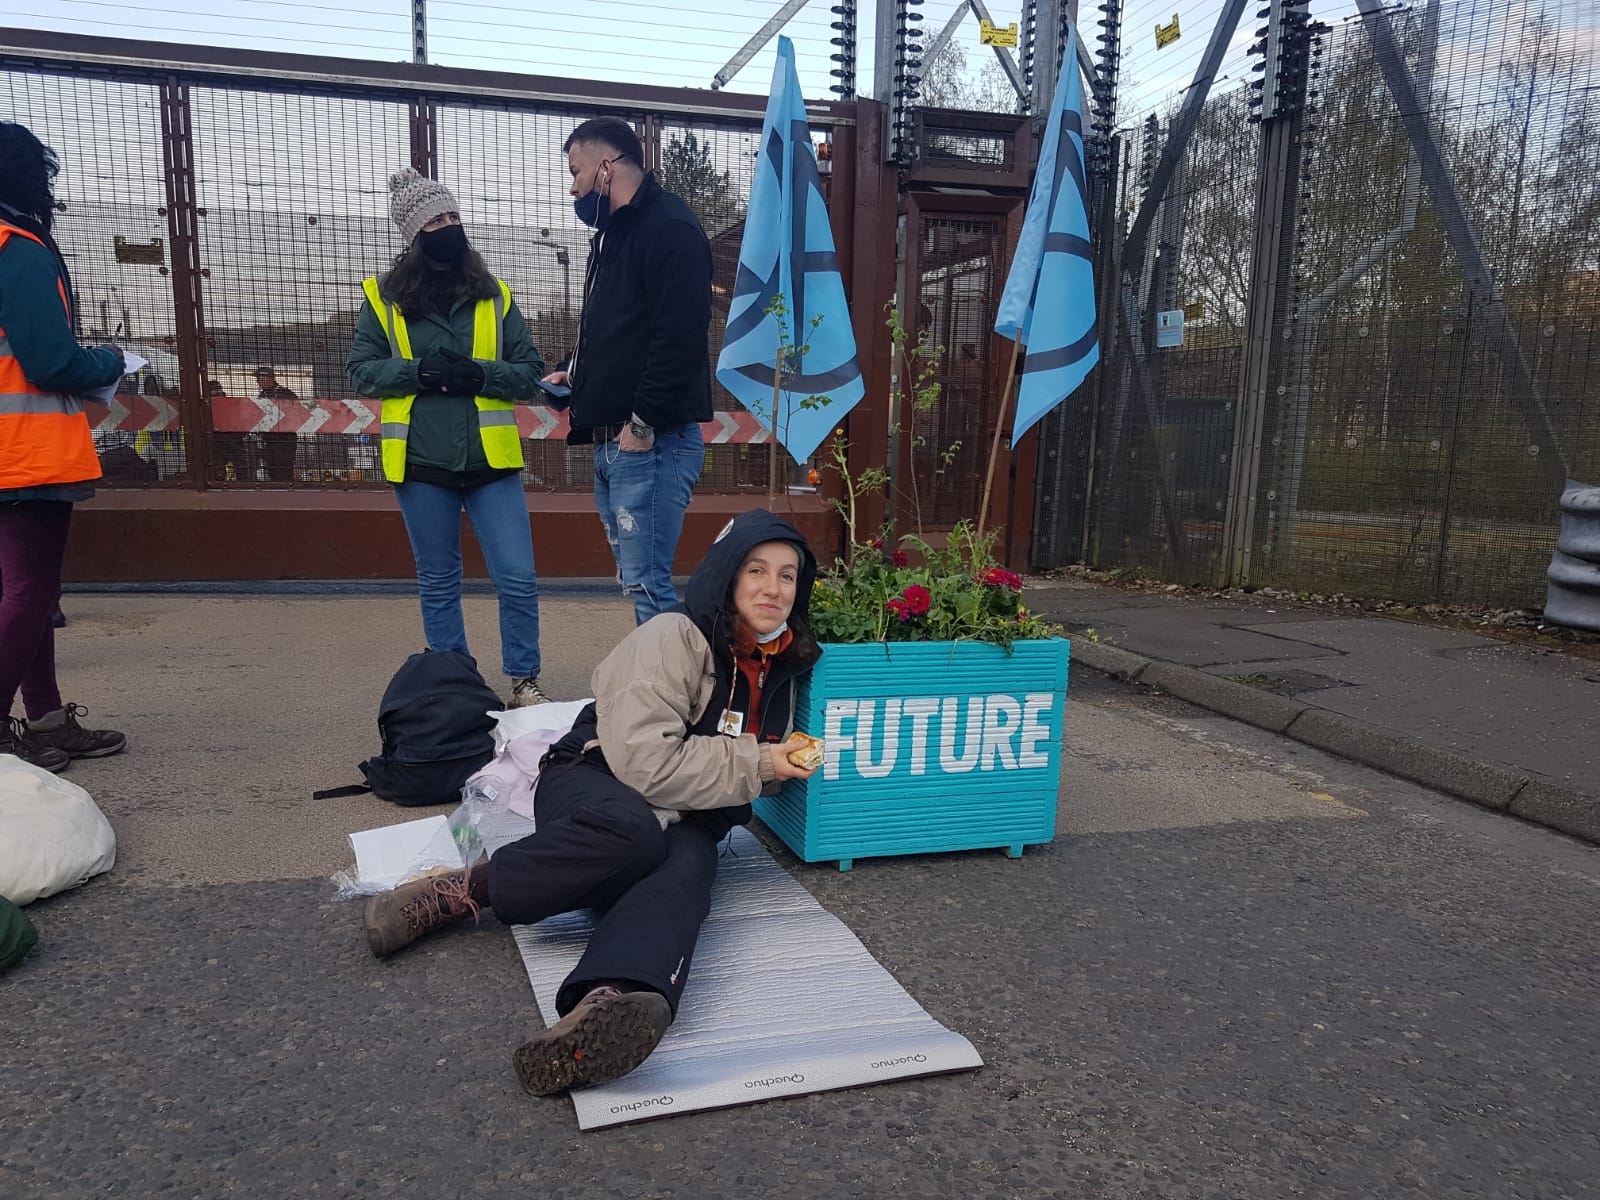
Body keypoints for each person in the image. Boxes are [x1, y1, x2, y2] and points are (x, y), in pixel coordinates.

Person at [362, 509, 823, 1095]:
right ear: (728, 575)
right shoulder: (674, 636)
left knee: (685, 871)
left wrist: (776, 765)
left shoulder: (783, 662)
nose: (773, 588)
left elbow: (749, 769)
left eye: (788, 576)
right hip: (595, 774)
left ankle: (607, 1002)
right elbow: (645, 765)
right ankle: (458, 893)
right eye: (757, 570)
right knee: (633, 831)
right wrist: (762, 762)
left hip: (689, 812)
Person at [348, 168, 551, 707]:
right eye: (436, 220)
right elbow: (362, 370)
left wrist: (480, 374)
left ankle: (524, 681)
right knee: (439, 581)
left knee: (517, 576)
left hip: (491, 461)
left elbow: (529, 369)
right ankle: (454, 684)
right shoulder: (382, 297)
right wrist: (419, 373)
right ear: (414, 235)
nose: (449, 227)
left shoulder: (495, 295)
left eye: (453, 216)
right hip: (421, 460)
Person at [541, 117, 714, 626]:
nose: (572, 185)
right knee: (637, 580)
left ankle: (676, 700)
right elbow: (619, 328)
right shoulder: (614, 234)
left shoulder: (670, 229)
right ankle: (656, 691)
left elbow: (679, 340)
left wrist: (640, 427)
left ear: (606, 167)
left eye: (575, 171)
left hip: (650, 443)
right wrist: (574, 371)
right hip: (618, 442)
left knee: (650, 584)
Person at [0, 121, 128, 771]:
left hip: (8, 453)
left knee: (23, 588)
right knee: (30, 591)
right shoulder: (17, 247)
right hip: (25, 453)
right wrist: (109, 359)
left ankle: (46, 718)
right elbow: (50, 360)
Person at [253, 365, 301, 482]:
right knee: (272, 469)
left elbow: (297, 412)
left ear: (271, 378)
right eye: (259, 379)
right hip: (269, 441)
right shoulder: (261, 396)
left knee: (283, 470)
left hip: (285, 440)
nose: (261, 382)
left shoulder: (285, 393)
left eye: (263, 378)